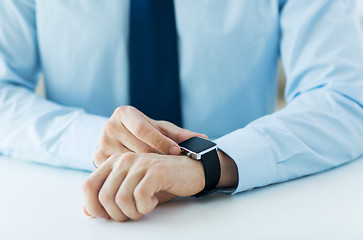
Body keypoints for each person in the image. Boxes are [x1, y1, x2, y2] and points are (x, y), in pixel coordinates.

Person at [1, 0, 363, 222]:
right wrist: (101, 144)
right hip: (76, 212)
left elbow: (345, 98)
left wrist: (213, 163)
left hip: (247, 211)